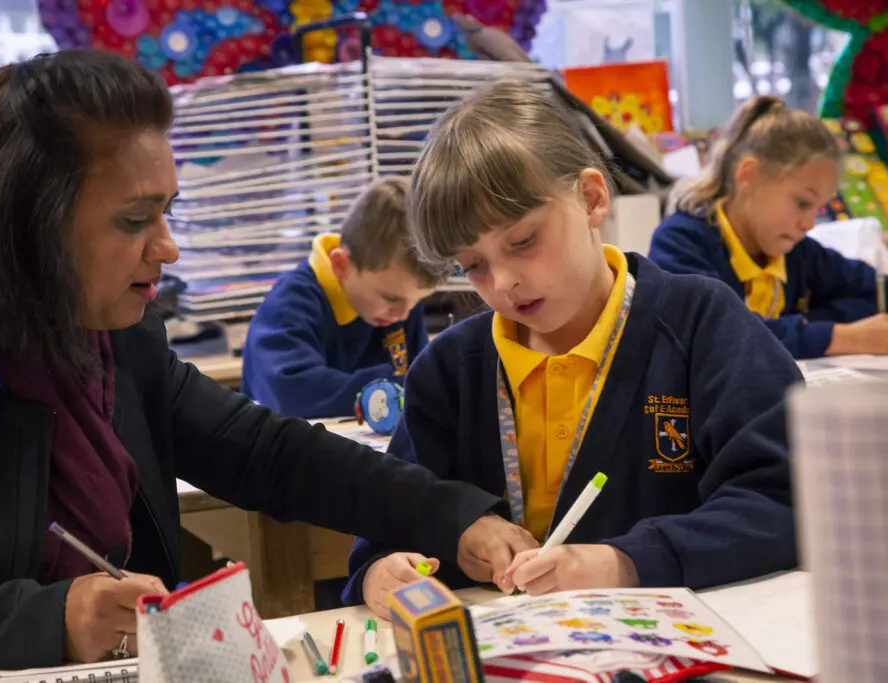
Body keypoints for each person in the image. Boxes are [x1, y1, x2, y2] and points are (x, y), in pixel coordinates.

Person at [0, 51, 538, 683]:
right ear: (27, 223)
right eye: (134, 220)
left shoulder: (113, 336)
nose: (169, 247)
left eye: (168, 210)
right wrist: (47, 619)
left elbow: (264, 450)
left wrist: (453, 515)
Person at [342, 79, 800, 619]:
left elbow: (787, 500)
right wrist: (382, 573)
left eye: (523, 241)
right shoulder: (448, 373)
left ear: (590, 197)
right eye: (473, 266)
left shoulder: (701, 325)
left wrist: (625, 563)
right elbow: (385, 531)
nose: (505, 281)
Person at [649, 95, 888, 359]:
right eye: (801, 202)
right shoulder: (680, 242)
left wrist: (805, 325)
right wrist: (838, 337)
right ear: (749, 175)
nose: (808, 224)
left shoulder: (796, 252)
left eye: (817, 208)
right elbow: (715, 336)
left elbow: (875, 291)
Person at [241, 175, 439, 418]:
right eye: (391, 298)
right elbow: (291, 393)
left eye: (417, 301)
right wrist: (390, 387)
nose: (403, 314)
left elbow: (420, 382)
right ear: (341, 265)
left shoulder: (400, 299)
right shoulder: (290, 304)